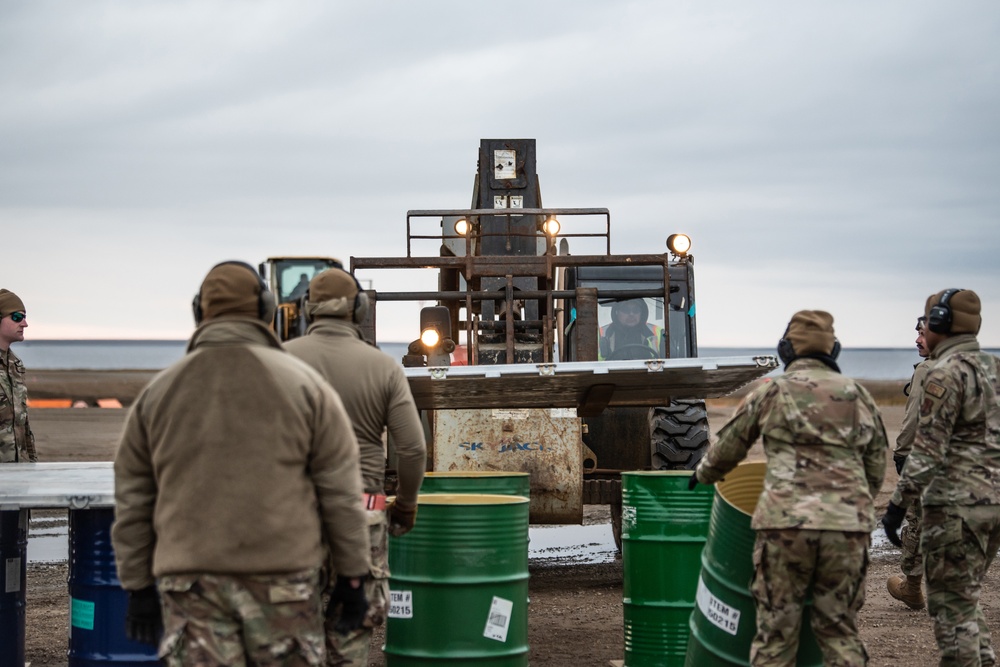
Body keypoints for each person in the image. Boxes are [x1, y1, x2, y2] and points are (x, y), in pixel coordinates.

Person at [112, 261, 371, 666]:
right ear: (267, 308)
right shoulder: (306, 387)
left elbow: (133, 499)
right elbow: (339, 491)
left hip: (191, 583)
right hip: (284, 579)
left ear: (199, 311)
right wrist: (353, 575)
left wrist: (137, 585)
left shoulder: (157, 394)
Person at [690, 310, 887, 665]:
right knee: (839, 629)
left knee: (776, 634)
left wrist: (701, 475)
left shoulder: (772, 393)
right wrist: (853, 506)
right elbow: (875, 465)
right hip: (847, 527)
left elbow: (728, 449)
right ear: (834, 350)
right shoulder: (858, 395)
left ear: (785, 350)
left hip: (786, 526)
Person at [284, 267, 426, 667]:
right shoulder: (383, 368)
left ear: (308, 310)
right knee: (351, 627)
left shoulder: (280, 362)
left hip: (294, 515)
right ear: (358, 308)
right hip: (363, 508)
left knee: (294, 629)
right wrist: (406, 505)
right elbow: (412, 449)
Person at [881, 288, 1000, 667]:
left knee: (951, 616)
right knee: (964, 602)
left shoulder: (942, 374)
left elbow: (926, 449)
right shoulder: (994, 369)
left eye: (928, 322)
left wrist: (897, 506)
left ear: (940, 324)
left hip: (958, 508)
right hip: (993, 504)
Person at [886, 315, 932, 610]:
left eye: (923, 335)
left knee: (917, 520)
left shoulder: (928, 370)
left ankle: (912, 588)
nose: (917, 340)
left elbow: (913, 417)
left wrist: (901, 455)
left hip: (929, 460)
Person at [0, 288, 37, 463]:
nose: (24, 323)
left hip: (18, 475)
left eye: (24, 317)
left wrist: (31, 466)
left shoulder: (16, 365)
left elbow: (23, 426)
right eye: (17, 317)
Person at [598, 298, 662, 360]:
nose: (631, 314)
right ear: (616, 312)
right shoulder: (600, 334)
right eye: (625, 310)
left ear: (642, 313)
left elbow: (670, 361)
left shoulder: (659, 333)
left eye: (636, 310)